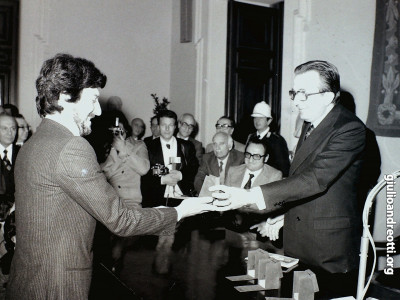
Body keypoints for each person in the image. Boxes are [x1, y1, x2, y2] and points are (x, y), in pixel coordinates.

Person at [6, 54, 218, 300]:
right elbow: (122, 220)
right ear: (65, 96)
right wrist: (182, 211)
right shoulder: (71, 147)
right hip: (57, 285)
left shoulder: (34, 143)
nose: (97, 111)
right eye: (93, 99)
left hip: (28, 282)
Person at [211, 60, 366, 297]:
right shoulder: (311, 121)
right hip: (300, 242)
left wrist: (248, 195)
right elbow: (301, 178)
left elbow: (315, 179)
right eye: (294, 92)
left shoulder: (350, 129)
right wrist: (285, 214)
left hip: (328, 249)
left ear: (328, 97)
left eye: (303, 94)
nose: (295, 101)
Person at [224, 136, 282, 236]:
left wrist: (267, 223)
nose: (251, 160)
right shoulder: (233, 171)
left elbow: (275, 208)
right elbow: (224, 202)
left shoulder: (274, 175)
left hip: (258, 223)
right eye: (248, 154)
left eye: (257, 156)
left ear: (266, 158)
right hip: (232, 222)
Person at [141, 109, 199, 208]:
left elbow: (194, 168)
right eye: (164, 125)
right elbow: (143, 176)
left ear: (175, 126)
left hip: (182, 199)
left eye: (171, 125)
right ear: (158, 126)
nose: (167, 129)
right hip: (156, 199)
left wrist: (181, 175)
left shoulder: (186, 146)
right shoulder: (147, 146)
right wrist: (162, 180)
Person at [246, 101, 291, 177]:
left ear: (269, 121)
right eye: (255, 118)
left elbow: (284, 169)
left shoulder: (277, 140)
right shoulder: (251, 137)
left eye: (261, 118)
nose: (257, 121)